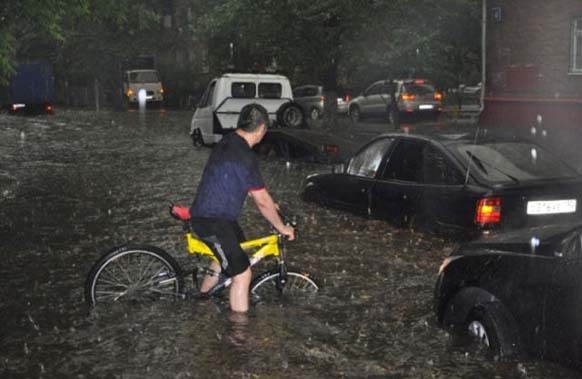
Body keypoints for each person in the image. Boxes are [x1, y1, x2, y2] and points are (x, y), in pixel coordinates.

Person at [189, 103, 295, 313]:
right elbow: (262, 200)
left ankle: (203, 299)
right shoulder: (245, 156)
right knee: (242, 274)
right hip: (212, 220)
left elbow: (233, 178)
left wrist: (266, 201)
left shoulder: (228, 142)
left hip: (215, 216)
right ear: (262, 129)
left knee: (236, 251)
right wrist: (282, 227)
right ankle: (239, 335)